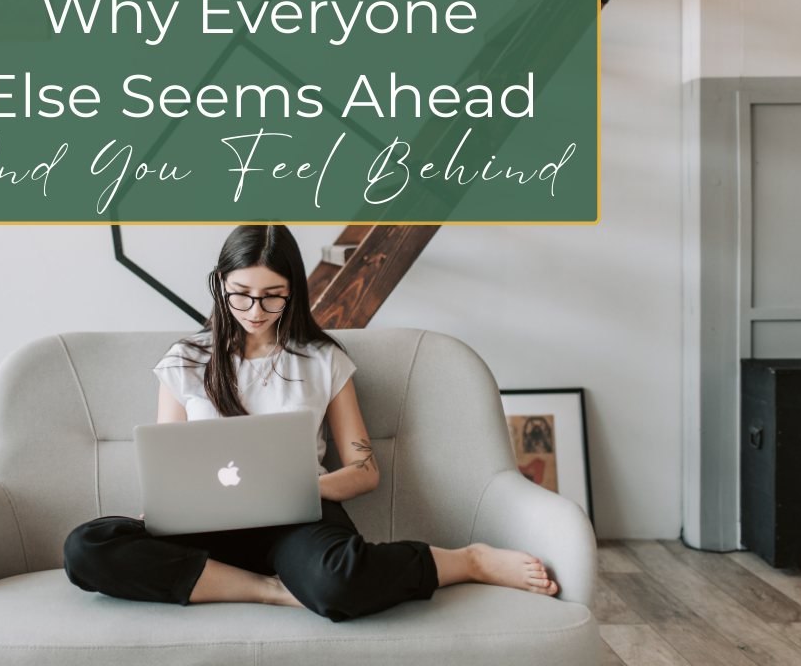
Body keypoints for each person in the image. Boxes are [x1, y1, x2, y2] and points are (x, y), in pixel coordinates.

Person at [63, 225, 558, 622]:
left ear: (293, 291)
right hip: (206, 528)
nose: (255, 311)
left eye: (272, 296)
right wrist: (166, 506)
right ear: (220, 285)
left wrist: (300, 488)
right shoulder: (185, 361)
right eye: (240, 295)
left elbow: (365, 470)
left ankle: (467, 560)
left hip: (299, 519)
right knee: (86, 548)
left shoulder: (322, 359)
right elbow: (168, 464)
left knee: (340, 583)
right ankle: (270, 591)